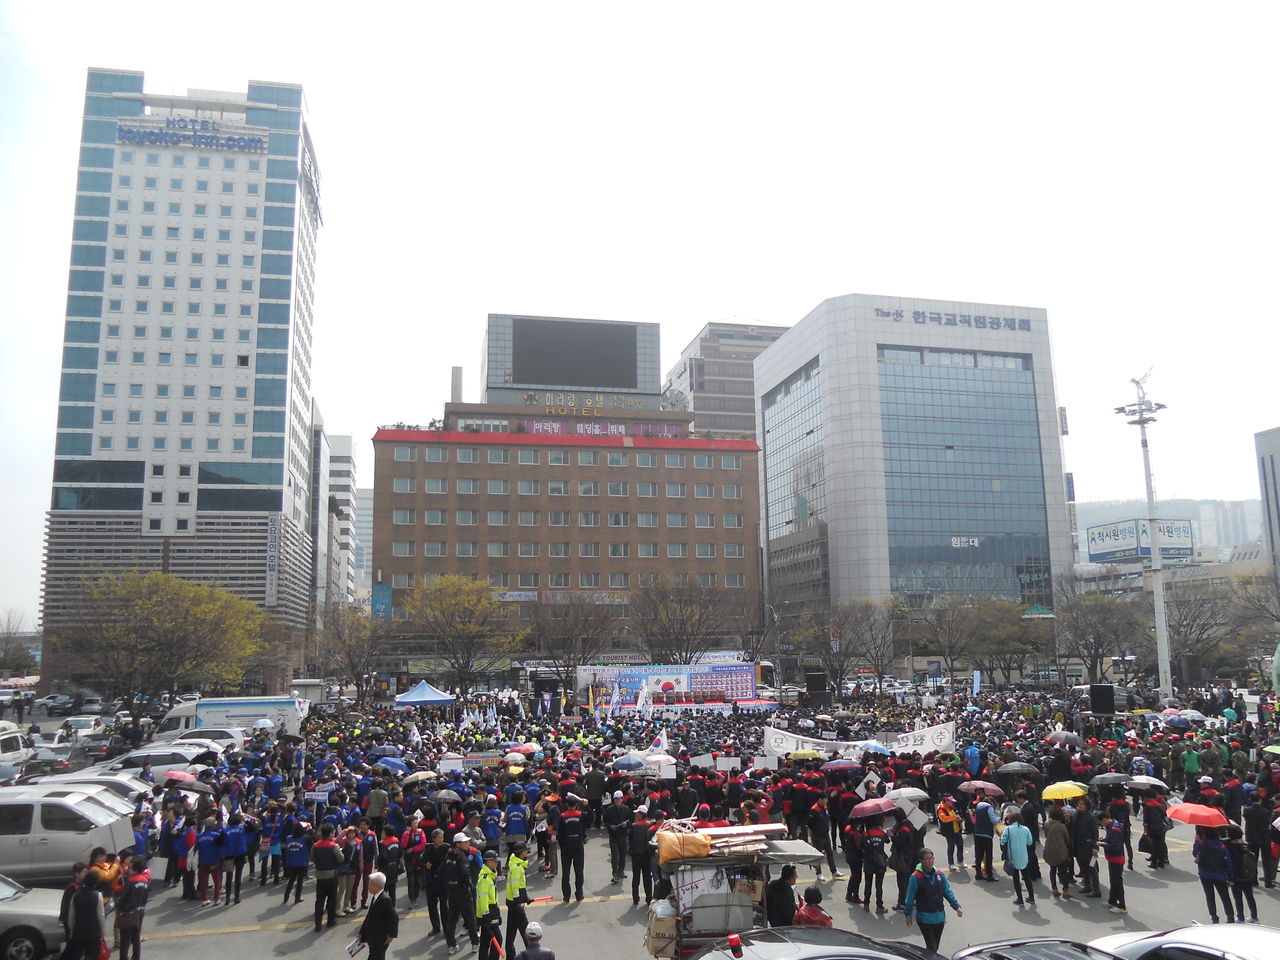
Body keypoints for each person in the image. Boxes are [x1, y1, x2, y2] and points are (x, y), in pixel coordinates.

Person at [904, 849, 962, 954]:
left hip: (940, 918)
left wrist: (956, 906)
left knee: (934, 947)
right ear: (921, 861)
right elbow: (910, 897)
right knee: (932, 948)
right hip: (925, 919)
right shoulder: (916, 877)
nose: (930, 861)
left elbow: (947, 890)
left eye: (931, 858)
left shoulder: (939, 874)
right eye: (927, 859)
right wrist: (908, 914)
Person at [1193, 825, 1235, 924]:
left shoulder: (1201, 843)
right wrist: (1231, 878)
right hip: (1219, 875)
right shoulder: (1222, 847)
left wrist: (1197, 840)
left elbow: (1195, 853)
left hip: (1204, 874)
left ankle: (1214, 918)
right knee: (1225, 897)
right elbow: (1229, 863)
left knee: (1210, 897)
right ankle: (1230, 917)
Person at [311, 822, 346, 931]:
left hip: (320, 876)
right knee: (332, 899)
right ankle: (331, 921)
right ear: (331, 833)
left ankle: (318, 924)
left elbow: (312, 859)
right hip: (332, 875)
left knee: (319, 901)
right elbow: (341, 859)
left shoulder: (315, 846)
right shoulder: (334, 846)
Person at [65, 867, 105, 960]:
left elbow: (71, 915)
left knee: (77, 955)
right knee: (91, 955)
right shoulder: (98, 895)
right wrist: (102, 930)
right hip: (93, 930)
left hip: (78, 930)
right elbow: (101, 915)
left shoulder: (76, 895)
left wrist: (72, 930)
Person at [357, 872, 399, 960]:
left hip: (380, 938)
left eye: (370, 884)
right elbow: (369, 916)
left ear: (376, 886)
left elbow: (394, 918)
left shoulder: (385, 900)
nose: (368, 886)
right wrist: (362, 932)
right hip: (373, 937)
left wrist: (391, 935)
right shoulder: (375, 897)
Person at [1224, 824, 1260, 924]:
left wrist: (1230, 879)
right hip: (1248, 876)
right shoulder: (1246, 845)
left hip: (1236, 877)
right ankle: (1254, 916)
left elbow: (1230, 864)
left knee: (1238, 898)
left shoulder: (1229, 846)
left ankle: (1240, 917)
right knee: (1250, 896)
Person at [116, 856, 150, 960]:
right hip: (140, 912)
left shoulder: (131, 881)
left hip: (128, 913)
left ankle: (123, 958)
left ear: (134, 869)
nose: (128, 869)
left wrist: (119, 908)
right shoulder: (145, 881)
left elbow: (123, 898)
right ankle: (136, 957)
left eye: (130, 868)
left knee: (125, 940)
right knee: (136, 938)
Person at [999, 810, 1035, 906]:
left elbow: (1002, 841)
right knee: (1026, 877)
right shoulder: (1026, 829)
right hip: (1023, 856)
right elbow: (1030, 842)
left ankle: (1020, 899)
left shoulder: (1008, 829)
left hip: (1012, 857)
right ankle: (1031, 897)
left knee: (1016, 879)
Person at [556, 795, 586, 902]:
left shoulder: (562, 816)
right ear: (576, 805)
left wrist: (562, 845)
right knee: (579, 871)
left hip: (566, 846)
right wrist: (586, 805)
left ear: (567, 805)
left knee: (566, 872)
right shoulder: (580, 814)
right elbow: (590, 818)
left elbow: (559, 833)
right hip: (578, 845)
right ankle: (579, 894)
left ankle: (566, 896)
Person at [504, 842, 532, 960]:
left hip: (513, 903)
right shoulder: (517, 867)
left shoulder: (516, 864)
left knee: (511, 931)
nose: (527, 852)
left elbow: (520, 885)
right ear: (521, 853)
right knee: (526, 930)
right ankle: (532, 954)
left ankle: (510, 955)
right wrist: (518, 902)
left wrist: (526, 898)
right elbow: (515, 886)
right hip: (516, 903)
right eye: (526, 850)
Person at [475, 849, 502, 960]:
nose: (497, 863)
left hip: (490, 912)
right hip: (488, 913)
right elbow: (483, 900)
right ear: (488, 861)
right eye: (495, 861)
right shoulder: (485, 879)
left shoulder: (489, 876)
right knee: (497, 939)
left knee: (485, 941)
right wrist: (486, 917)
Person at [1042, 806, 1073, 899]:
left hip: (1050, 850)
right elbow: (1067, 839)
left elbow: (1046, 835)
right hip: (1061, 851)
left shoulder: (1046, 824)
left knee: (1052, 870)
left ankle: (1054, 888)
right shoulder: (1062, 826)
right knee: (1063, 871)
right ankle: (1065, 890)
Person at [1099, 810, 1126, 914]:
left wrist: (1103, 844)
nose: (1102, 825)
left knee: (1117, 883)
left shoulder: (1114, 829)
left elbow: (1115, 847)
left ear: (1104, 820)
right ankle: (1112, 901)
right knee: (1113, 881)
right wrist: (1105, 839)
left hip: (1116, 859)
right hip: (1113, 859)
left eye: (1101, 823)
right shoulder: (1112, 825)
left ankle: (1122, 906)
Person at [603, 790, 633, 883]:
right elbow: (606, 820)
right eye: (615, 799)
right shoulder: (609, 810)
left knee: (623, 855)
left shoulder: (626, 809)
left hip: (623, 835)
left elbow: (631, 820)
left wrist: (626, 824)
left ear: (622, 799)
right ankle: (615, 873)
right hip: (613, 836)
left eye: (618, 799)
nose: (617, 800)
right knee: (615, 855)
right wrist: (610, 826)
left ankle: (621, 871)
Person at [972, 797, 998, 881]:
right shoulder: (989, 807)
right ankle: (989, 875)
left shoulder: (978, 807)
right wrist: (999, 818)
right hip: (986, 834)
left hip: (977, 833)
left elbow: (975, 820)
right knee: (988, 855)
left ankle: (978, 874)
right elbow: (994, 821)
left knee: (979, 855)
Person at [936, 796, 965, 870]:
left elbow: (957, 815)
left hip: (957, 830)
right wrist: (954, 817)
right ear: (946, 801)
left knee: (960, 845)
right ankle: (951, 863)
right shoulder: (941, 809)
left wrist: (959, 819)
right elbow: (944, 819)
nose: (952, 803)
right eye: (951, 802)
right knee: (951, 847)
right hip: (949, 832)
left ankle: (960, 861)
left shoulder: (952, 807)